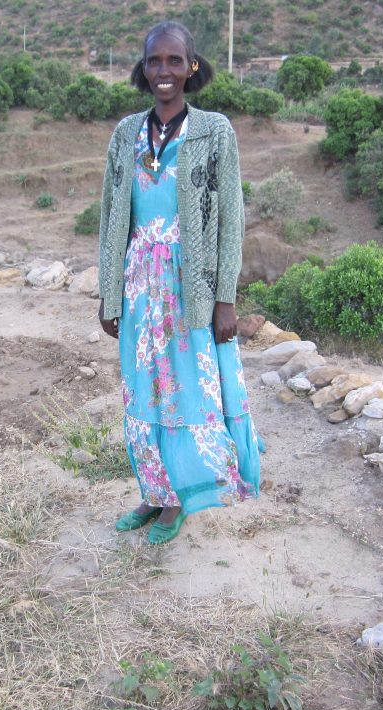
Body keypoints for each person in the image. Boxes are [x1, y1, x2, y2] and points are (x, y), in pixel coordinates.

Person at [97, 20, 261, 546]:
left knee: (185, 392)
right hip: (138, 283)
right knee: (142, 388)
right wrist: (108, 291)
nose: (163, 71)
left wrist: (224, 298)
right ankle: (153, 491)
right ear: (142, 70)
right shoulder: (126, 133)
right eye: (153, 62)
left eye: (173, 61)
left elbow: (230, 218)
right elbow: (110, 216)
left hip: (190, 285)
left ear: (192, 66)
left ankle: (181, 500)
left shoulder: (215, 131)